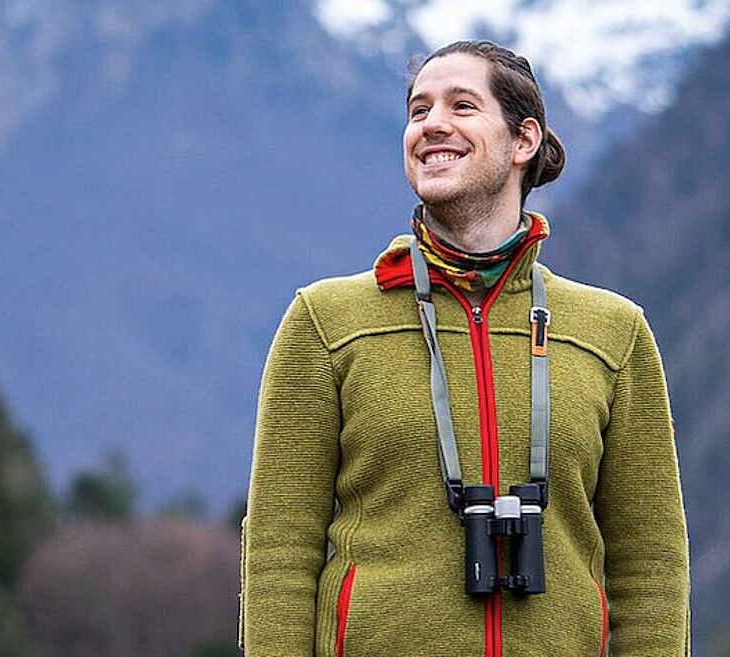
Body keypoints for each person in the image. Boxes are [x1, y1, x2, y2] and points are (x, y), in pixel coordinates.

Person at [239, 40, 690, 657]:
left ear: (522, 141)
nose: (432, 126)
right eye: (418, 110)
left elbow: (653, 570)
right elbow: (277, 554)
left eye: (462, 105)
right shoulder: (326, 321)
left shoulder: (612, 332)